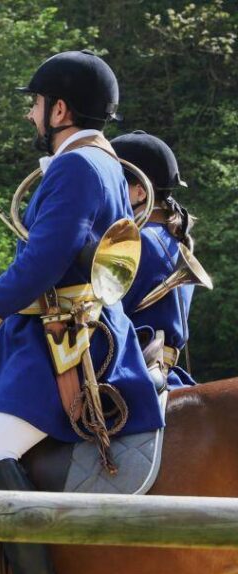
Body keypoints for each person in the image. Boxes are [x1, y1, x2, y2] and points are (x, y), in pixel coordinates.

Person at [0, 51, 164, 574]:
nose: (32, 114)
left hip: (65, 339)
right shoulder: (109, 163)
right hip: (74, 324)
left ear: (59, 108)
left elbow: (39, 265)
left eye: (36, 104)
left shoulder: (76, 167)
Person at [112, 130, 199, 389]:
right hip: (163, 371)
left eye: (114, 186)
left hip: (134, 371)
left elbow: (104, 312)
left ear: (140, 192)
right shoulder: (174, 239)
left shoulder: (137, 242)